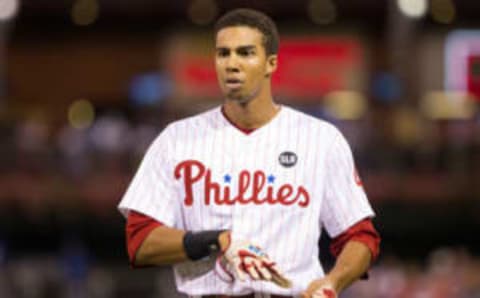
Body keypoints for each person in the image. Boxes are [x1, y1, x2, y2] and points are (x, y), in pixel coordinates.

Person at [118, 8, 380, 298]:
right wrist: (218, 241)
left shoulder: (321, 139)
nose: (232, 64)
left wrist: (333, 282)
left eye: (245, 53)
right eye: (223, 53)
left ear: (271, 63)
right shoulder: (176, 139)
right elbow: (140, 240)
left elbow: (359, 236)